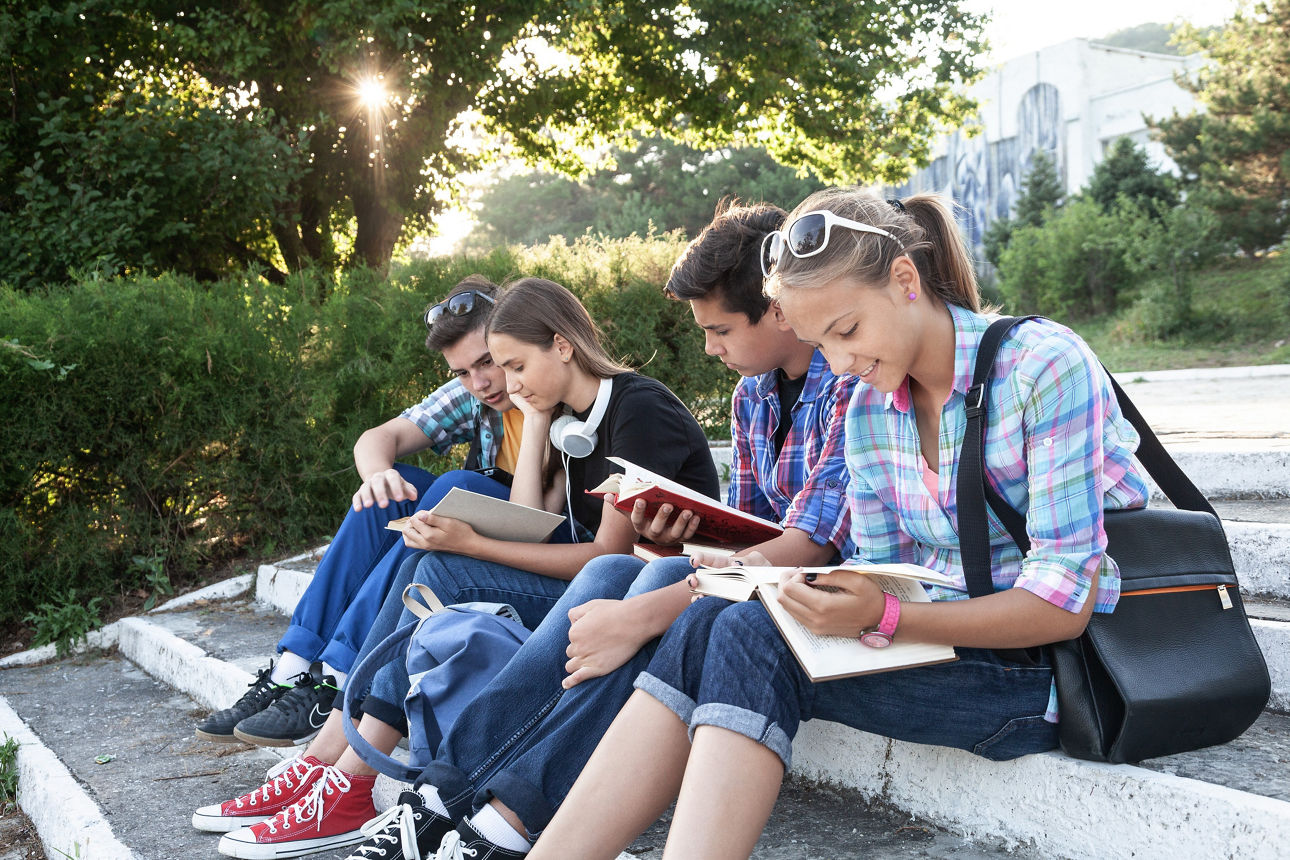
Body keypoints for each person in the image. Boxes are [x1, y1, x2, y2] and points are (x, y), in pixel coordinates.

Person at [531, 190, 1153, 860]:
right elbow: (883, 577)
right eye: (819, 341)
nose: (839, 362)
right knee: (712, 617)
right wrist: (818, 594)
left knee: (748, 633)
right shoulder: (869, 409)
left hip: (1047, 675)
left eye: (848, 331)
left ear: (905, 281)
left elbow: (1062, 607)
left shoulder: (1041, 366)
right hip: (939, 646)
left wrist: (884, 618)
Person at [339, 201, 858, 860]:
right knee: (613, 574)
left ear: (778, 309)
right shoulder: (750, 396)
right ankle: (446, 794)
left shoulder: (824, 385)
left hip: (789, 587)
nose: (708, 348)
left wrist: (663, 578)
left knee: (626, 575)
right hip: (729, 573)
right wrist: (538, 426)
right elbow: (752, 528)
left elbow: (812, 541)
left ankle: (495, 817)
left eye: (720, 329)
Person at [204, 277, 720, 859]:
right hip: (608, 579)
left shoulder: (636, 408)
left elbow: (610, 556)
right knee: (432, 560)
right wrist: (537, 419)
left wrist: (473, 543)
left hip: (656, 592)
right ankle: (331, 766)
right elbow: (535, 517)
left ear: (563, 345)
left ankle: (348, 776)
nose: (508, 385)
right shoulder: (570, 419)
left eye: (513, 366)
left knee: (448, 561)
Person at [193, 276, 538, 750]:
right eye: (462, 371)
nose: (479, 382)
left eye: (487, 363)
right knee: (390, 489)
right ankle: (292, 669)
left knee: (457, 485)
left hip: (528, 545)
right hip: (476, 530)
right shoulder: (475, 394)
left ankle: (338, 680)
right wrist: (377, 475)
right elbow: (377, 438)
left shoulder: (547, 390)